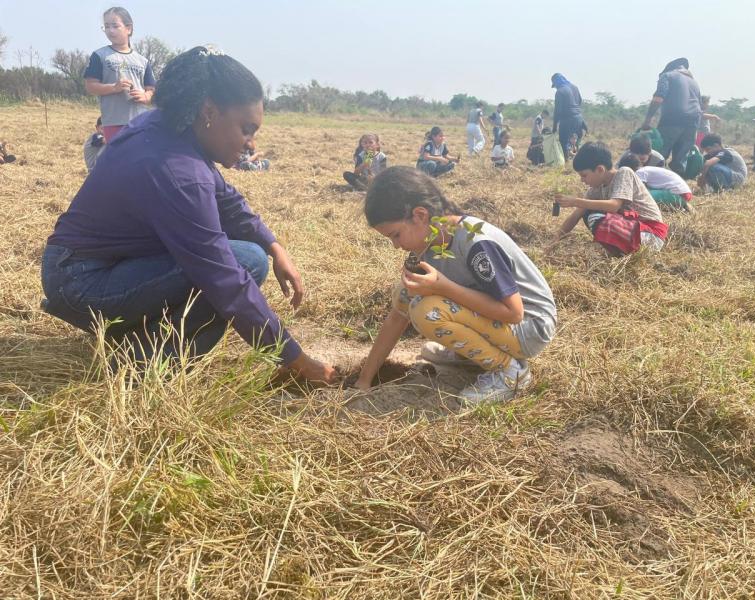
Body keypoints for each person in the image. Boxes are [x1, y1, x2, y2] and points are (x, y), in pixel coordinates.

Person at [41, 46, 336, 384]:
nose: (251, 143)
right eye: (246, 128)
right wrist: (298, 361)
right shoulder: (175, 171)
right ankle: (143, 361)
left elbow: (227, 201)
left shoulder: (169, 128)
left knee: (254, 255)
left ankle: (130, 335)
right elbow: (224, 279)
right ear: (209, 111)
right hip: (82, 281)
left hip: (85, 267)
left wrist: (275, 246)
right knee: (245, 263)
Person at [354, 166, 556, 404]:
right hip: (501, 321)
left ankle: (509, 372)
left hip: (529, 328)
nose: (396, 246)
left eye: (395, 235)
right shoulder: (428, 243)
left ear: (420, 215)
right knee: (404, 294)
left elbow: (514, 312)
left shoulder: (475, 244)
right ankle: (468, 355)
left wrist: (443, 287)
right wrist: (364, 381)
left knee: (427, 311)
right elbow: (397, 316)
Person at [551, 142, 668, 256]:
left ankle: (620, 251)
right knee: (588, 213)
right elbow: (575, 216)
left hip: (650, 235)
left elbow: (614, 205)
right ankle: (618, 250)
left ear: (600, 170)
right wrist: (555, 240)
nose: (582, 180)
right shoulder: (596, 189)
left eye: (584, 175)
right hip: (633, 230)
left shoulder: (624, 173)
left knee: (594, 216)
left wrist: (575, 201)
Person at [84, 7, 156, 143]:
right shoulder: (100, 56)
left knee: (137, 160)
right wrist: (114, 88)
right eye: (106, 26)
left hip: (140, 121)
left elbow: (151, 88)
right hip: (113, 122)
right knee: (119, 159)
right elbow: (90, 86)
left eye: (115, 26)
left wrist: (146, 96)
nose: (110, 30)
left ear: (128, 28)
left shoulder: (142, 61)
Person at [641, 58, 701, 177]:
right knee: (680, 159)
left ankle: (653, 181)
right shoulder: (694, 83)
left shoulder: (667, 76)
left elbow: (658, 98)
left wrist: (647, 120)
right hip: (693, 122)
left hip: (673, 120)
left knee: (659, 155)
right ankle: (678, 186)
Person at [618, 154, 693, 211]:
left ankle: (682, 204)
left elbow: (641, 193)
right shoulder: (645, 170)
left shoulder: (639, 172)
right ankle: (679, 205)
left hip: (679, 194)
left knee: (639, 198)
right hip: (682, 192)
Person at [551, 73, 585, 158]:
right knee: (576, 141)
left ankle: (566, 163)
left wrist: (554, 127)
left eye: (555, 85)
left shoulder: (560, 91)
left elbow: (557, 111)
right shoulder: (575, 87)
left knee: (563, 141)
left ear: (556, 82)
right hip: (579, 119)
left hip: (567, 119)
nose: (555, 87)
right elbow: (580, 101)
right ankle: (579, 160)